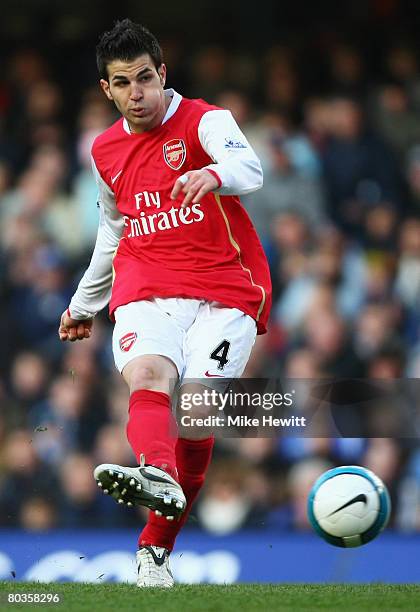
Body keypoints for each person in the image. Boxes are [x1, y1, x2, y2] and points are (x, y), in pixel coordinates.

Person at [58, 18, 271, 588]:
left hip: (226, 287)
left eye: (145, 79)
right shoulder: (104, 151)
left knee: (197, 411)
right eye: (123, 83)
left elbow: (251, 169)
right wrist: (82, 305)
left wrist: (213, 174)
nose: (137, 93)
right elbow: (112, 232)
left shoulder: (206, 120)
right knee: (148, 375)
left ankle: (155, 547)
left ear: (163, 75)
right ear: (107, 89)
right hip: (147, 283)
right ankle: (156, 469)